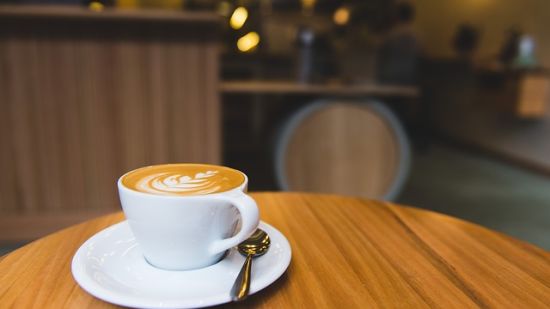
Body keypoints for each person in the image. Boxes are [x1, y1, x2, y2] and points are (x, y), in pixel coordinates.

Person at [376, 1, 420, 85]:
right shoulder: (417, 35)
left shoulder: (392, 34)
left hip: (390, 76)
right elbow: (420, 55)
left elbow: (381, 52)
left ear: (397, 15)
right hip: (409, 75)